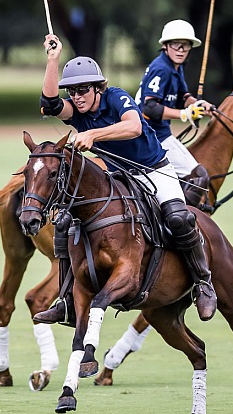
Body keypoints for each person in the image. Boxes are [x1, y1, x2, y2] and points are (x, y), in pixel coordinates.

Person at [32, 33, 217, 326]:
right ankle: (65, 300)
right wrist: (53, 60)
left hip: (154, 168)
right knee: (67, 223)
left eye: (83, 89)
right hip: (118, 175)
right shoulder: (75, 110)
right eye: (73, 91)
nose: (77, 96)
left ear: (96, 88)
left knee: (180, 218)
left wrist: (94, 134)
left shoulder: (116, 97)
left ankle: (203, 282)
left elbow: (133, 127)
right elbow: (50, 102)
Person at [136, 19, 215, 207]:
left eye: (185, 46)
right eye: (176, 45)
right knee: (199, 176)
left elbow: (183, 96)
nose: (180, 50)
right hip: (152, 136)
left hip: (161, 133)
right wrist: (184, 115)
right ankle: (184, 219)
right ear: (165, 46)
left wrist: (200, 105)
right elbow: (149, 108)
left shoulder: (175, 68)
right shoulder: (161, 69)